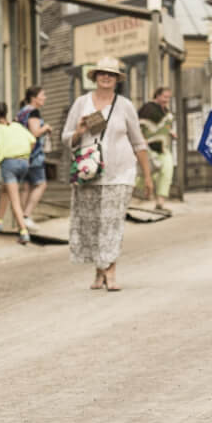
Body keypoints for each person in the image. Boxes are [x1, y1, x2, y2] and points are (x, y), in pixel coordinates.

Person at [61, 57, 154, 291]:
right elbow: (65, 137)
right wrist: (80, 131)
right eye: (102, 73)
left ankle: (110, 273)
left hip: (120, 173)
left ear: (116, 80)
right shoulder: (81, 103)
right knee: (93, 225)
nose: (106, 77)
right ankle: (100, 271)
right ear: (94, 77)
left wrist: (147, 176)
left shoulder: (125, 106)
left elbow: (138, 142)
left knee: (111, 223)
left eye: (111, 74)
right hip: (88, 173)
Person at [0, 102, 36, 244]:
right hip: (24, 163)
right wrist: (25, 154)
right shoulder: (17, 126)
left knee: (14, 199)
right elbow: (32, 140)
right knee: (5, 190)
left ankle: (23, 231)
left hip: (9, 164)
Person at [9, 86, 50, 232]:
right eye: (42, 95)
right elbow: (35, 132)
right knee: (41, 184)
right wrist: (46, 128)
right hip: (34, 155)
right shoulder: (33, 111)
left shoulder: (21, 112)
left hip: (21, 155)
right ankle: (26, 216)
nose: (44, 98)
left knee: (26, 186)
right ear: (34, 98)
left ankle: (19, 219)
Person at [138, 86, 176, 211]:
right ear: (157, 95)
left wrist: (170, 132)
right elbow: (138, 125)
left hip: (162, 147)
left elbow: (164, 126)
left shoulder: (166, 111)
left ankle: (160, 202)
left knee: (167, 171)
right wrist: (140, 139)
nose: (166, 100)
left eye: (168, 98)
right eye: (165, 97)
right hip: (148, 147)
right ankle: (134, 195)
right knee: (145, 174)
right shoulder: (147, 109)